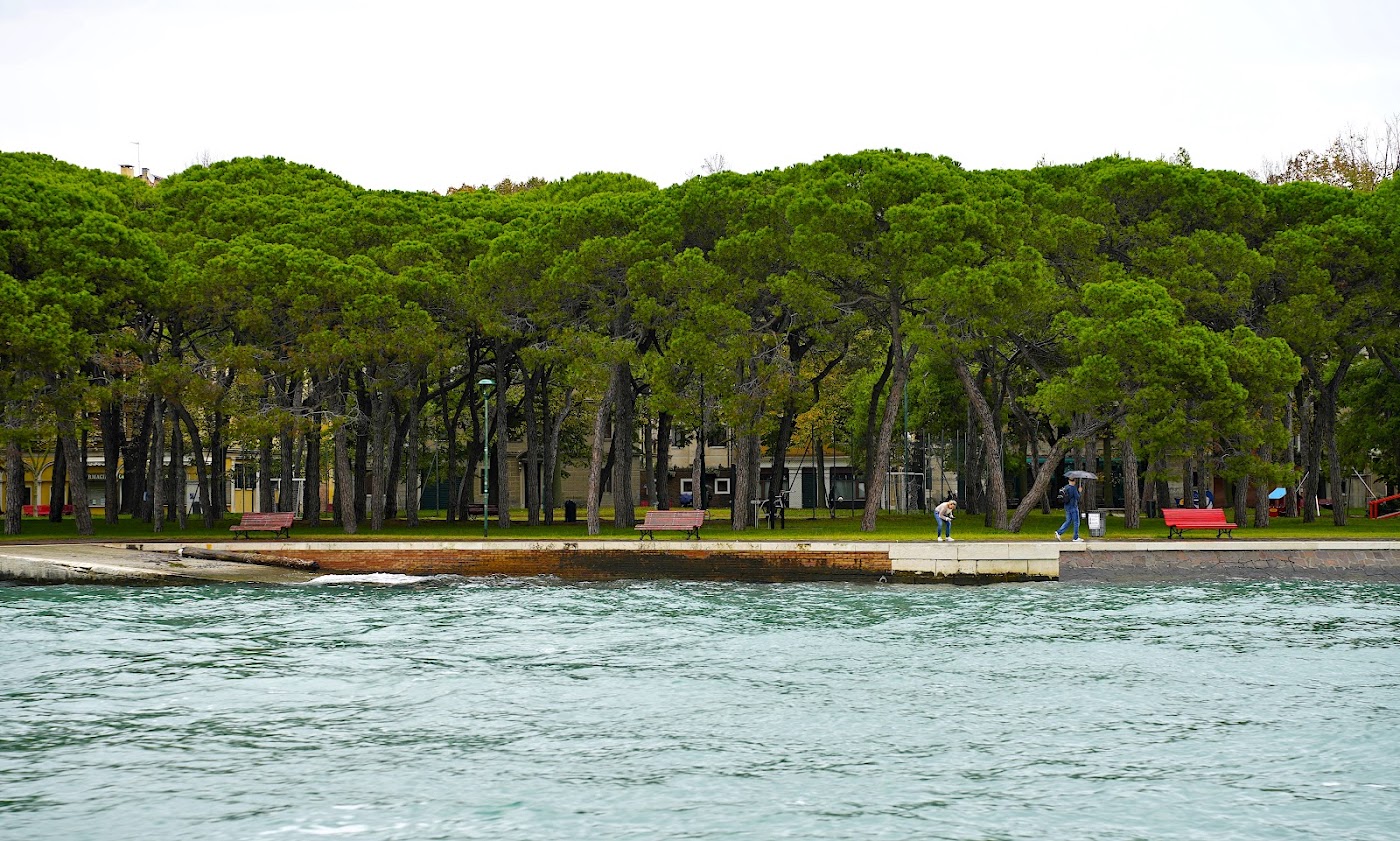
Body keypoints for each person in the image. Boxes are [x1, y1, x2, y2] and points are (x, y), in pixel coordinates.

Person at [1055, 477, 1083, 542]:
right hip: (1073, 507)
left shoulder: (1065, 487)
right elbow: (1077, 497)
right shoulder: (1073, 488)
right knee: (1076, 522)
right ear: (1074, 481)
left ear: (1068, 480)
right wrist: (1080, 492)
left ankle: (1059, 532)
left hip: (1067, 507)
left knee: (1068, 521)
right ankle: (1075, 537)